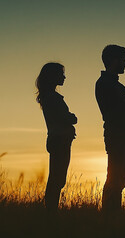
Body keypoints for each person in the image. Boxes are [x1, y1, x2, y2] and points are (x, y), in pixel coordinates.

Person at [95, 45, 125, 212]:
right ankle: (109, 215)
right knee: (115, 178)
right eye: (124, 60)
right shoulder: (105, 84)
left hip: (122, 135)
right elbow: (118, 109)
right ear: (114, 60)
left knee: (121, 178)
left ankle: (113, 214)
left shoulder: (118, 86)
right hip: (116, 135)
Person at [35, 62, 77, 212]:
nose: (64, 77)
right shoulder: (53, 98)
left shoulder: (50, 97)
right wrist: (72, 118)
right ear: (53, 76)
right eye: (61, 74)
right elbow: (65, 118)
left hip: (58, 139)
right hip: (59, 140)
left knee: (57, 178)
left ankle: (51, 210)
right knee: (57, 179)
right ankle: (50, 211)